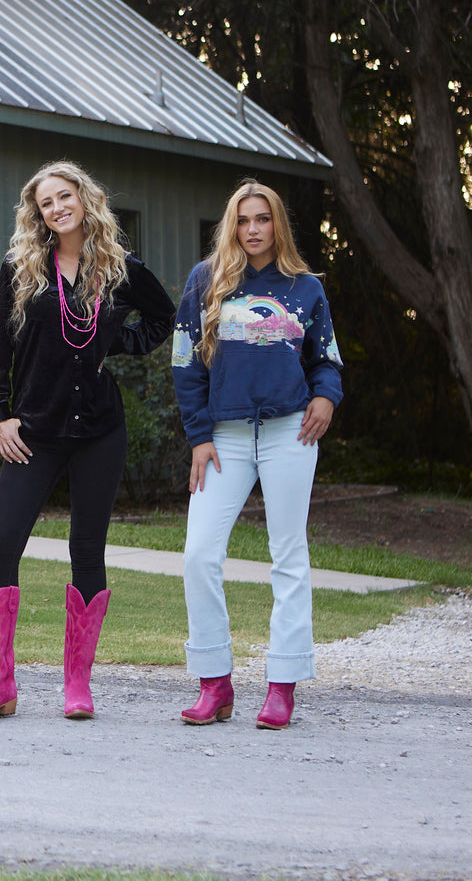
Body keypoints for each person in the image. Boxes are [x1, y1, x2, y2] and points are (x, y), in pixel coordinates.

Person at [0, 161, 174, 722]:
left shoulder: (119, 268)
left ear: (85, 198)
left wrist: (115, 342)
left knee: (87, 549)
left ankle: (77, 686)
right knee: (2, 542)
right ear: (39, 216)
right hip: (35, 429)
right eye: (45, 203)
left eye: (64, 196)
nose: (57, 208)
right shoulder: (21, 269)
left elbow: (162, 318)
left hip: (99, 431)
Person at [171, 180, 343, 730]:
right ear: (231, 224)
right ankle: (214, 683)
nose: (252, 229)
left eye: (262, 218)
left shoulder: (306, 287)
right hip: (224, 437)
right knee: (199, 553)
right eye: (243, 219)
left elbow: (327, 359)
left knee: (287, 554)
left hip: (290, 430)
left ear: (277, 224)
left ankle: (282, 685)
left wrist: (326, 398)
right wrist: (198, 436)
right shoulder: (206, 282)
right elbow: (184, 365)